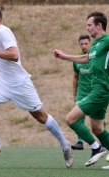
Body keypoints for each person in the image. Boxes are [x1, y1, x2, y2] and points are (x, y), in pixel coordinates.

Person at [0, 5, 73, 168]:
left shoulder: (3, 31)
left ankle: (65, 144)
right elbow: (11, 46)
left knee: (41, 116)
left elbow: (14, 55)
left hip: (20, 84)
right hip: (2, 82)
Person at [53, 11, 109, 167]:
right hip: (97, 90)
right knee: (97, 129)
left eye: (90, 25)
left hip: (100, 91)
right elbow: (86, 58)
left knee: (70, 119)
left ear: (99, 26)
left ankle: (96, 148)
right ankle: (98, 147)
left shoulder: (106, 40)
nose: (87, 28)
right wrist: (65, 56)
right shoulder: (96, 44)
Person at [71, 35, 91, 150]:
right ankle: (80, 141)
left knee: (97, 119)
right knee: (78, 118)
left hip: (94, 92)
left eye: (86, 43)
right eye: (81, 44)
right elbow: (75, 77)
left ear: (90, 43)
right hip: (82, 93)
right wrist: (74, 93)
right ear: (79, 45)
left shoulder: (95, 58)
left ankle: (102, 141)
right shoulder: (77, 60)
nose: (84, 46)